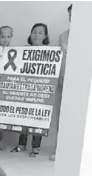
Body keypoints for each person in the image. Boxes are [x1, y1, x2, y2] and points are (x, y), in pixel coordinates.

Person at [11, 23, 50, 157]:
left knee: (38, 118)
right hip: (25, 88)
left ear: (45, 36)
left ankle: (36, 148)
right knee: (23, 117)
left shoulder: (50, 52)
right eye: (34, 32)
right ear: (30, 34)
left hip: (41, 89)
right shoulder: (23, 50)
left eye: (40, 32)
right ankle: (21, 144)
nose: (37, 35)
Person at [50, 4, 72, 161]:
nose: (72, 18)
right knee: (63, 118)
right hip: (64, 82)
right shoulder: (63, 36)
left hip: (85, 85)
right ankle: (61, 150)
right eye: (70, 15)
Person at [0, 25, 14, 150]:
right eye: (2, 36)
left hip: (6, 86)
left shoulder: (15, 52)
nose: (5, 39)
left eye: (8, 36)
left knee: (1, 114)